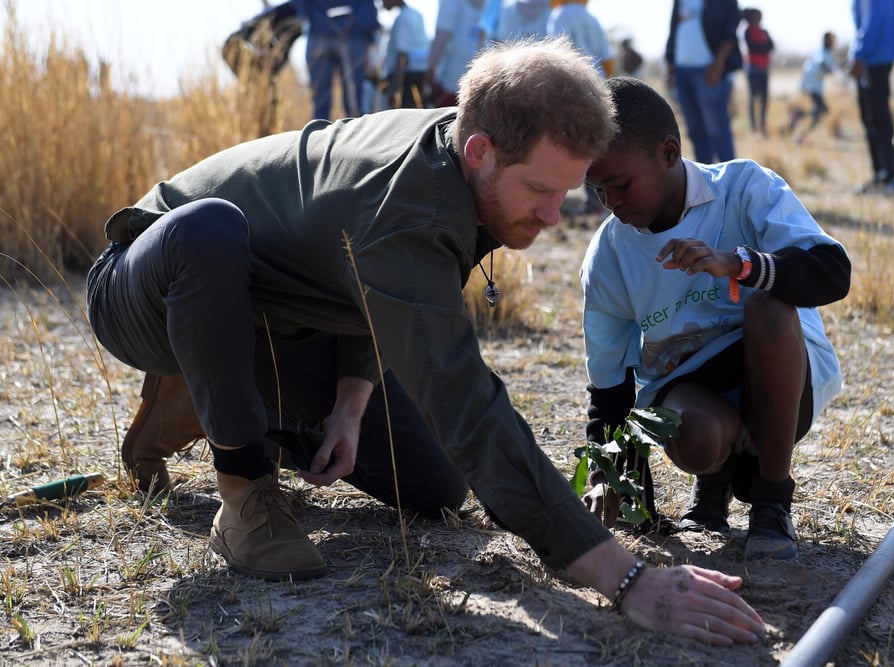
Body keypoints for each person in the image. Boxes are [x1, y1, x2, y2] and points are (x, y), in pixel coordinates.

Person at [86, 38, 765, 645]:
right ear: (480, 152)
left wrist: (350, 407)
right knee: (208, 233)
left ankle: (215, 400)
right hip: (152, 282)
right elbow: (467, 403)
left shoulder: (474, 162)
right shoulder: (413, 201)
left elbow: (362, 280)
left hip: (281, 315)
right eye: (539, 190)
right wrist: (625, 576)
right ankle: (242, 484)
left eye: (567, 194)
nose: (553, 216)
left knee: (437, 484)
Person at [579, 76, 849, 561]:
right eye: (598, 191)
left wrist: (742, 265)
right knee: (696, 436)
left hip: (783, 377)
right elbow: (610, 386)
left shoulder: (745, 188)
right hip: (690, 391)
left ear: (668, 152)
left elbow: (833, 272)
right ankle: (714, 483)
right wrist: (618, 484)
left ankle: (771, 499)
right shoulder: (610, 254)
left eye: (620, 184)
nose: (612, 203)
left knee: (769, 307)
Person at [665, 0, 742, 164]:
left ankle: (729, 183)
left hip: (708, 70)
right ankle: (704, 181)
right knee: (695, 132)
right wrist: (671, 66)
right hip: (681, 70)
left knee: (718, 130)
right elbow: (673, 29)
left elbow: (731, 29)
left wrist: (719, 63)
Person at [849, 0, 894, 197]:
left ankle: (890, 177)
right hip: (876, 56)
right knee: (873, 117)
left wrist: (859, 54)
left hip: (873, 58)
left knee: (878, 118)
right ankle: (882, 175)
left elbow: (873, 22)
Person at [221, 1, 304, 136]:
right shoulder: (292, 10)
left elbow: (283, 50)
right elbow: (250, 29)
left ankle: (269, 131)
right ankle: (259, 133)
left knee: (269, 97)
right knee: (258, 97)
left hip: (258, 55)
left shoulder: (299, 21)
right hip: (237, 48)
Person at [294, 0, 380, 120]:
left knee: (320, 105)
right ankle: (354, 135)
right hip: (354, 34)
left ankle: (319, 134)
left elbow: (302, 11)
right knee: (354, 105)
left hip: (320, 31)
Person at [427, 0, 486, 108]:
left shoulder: (450, 2)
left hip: (450, 80)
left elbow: (441, 37)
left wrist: (430, 70)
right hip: (482, 78)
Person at [379, 0, 430, 109]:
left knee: (407, 113)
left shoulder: (402, 19)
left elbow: (402, 55)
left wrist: (396, 88)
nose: (381, 3)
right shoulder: (416, 14)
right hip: (420, 70)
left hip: (406, 75)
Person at [789, 31, 838, 142]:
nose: (833, 43)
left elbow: (833, 67)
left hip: (813, 85)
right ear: (826, 40)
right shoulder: (821, 53)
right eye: (831, 40)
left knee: (820, 110)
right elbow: (822, 63)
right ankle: (800, 125)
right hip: (812, 86)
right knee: (820, 110)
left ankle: (800, 124)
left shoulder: (826, 52)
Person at [547, 0, 614, 78]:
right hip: (598, 78)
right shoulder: (592, 18)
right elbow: (606, 57)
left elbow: (557, 51)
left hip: (572, 78)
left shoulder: (559, 14)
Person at [742, 8, 773, 136]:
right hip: (753, 68)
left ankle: (763, 124)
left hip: (764, 68)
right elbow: (752, 47)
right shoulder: (747, 31)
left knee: (764, 98)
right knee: (753, 97)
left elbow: (771, 46)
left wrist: (761, 48)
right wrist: (762, 48)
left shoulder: (764, 31)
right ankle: (753, 126)